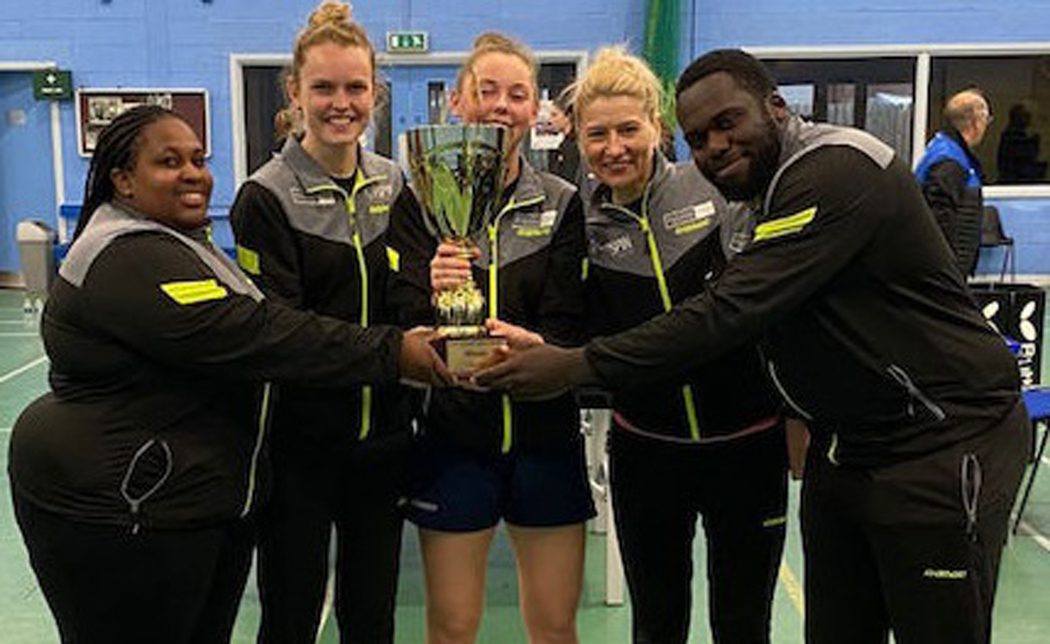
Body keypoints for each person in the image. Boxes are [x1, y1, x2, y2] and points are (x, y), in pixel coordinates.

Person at [478, 49, 1029, 644]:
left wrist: (572, 366)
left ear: (775, 107)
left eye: (727, 123)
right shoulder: (735, 194)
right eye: (699, 137)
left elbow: (730, 311)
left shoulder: (834, 168)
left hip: (936, 441)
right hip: (836, 448)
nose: (716, 146)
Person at [7, 105, 448, 644]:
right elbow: (256, 332)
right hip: (127, 509)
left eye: (197, 159)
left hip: (184, 499)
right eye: (168, 162)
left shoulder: (175, 240)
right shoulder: (127, 255)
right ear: (123, 180)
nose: (193, 174)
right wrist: (394, 352)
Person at [568, 46, 786, 643]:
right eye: (597, 134)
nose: (614, 148)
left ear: (656, 127)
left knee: (744, 625)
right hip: (647, 452)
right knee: (656, 626)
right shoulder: (581, 225)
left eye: (628, 129)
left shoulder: (716, 188)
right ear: (579, 140)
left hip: (747, 445)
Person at [388, 32, 594, 644]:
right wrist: (434, 296)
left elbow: (569, 322)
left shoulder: (561, 202)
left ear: (535, 108)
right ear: (456, 102)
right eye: (487, 91)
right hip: (454, 439)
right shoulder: (419, 200)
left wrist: (535, 347)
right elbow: (402, 319)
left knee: (554, 626)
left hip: (545, 439)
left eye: (518, 94)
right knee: (452, 627)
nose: (502, 105)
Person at [228, 3, 417, 642]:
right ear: (295, 92)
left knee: (373, 617)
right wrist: (396, 352)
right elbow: (281, 332)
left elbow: (407, 295)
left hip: (384, 442)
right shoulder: (265, 195)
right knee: (291, 616)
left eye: (355, 87)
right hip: (298, 449)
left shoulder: (395, 182)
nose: (342, 103)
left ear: (376, 93)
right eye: (324, 88)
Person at [914, 88, 993, 278]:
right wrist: (946, 271)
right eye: (987, 119)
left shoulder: (949, 150)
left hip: (949, 265)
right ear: (976, 121)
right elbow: (939, 217)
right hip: (944, 268)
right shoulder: (949, 160)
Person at [997, 101, 1046, 183]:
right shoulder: (1010, 137)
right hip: (1013, 180)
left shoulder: (1022, 136)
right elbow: (1021, 157)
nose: (1028, 119)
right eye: (1025, 116)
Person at [547, 88, 581, 185]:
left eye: (555, 115)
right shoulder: (564, 145)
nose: (550, 120)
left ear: (568, 116)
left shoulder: (574, 147)